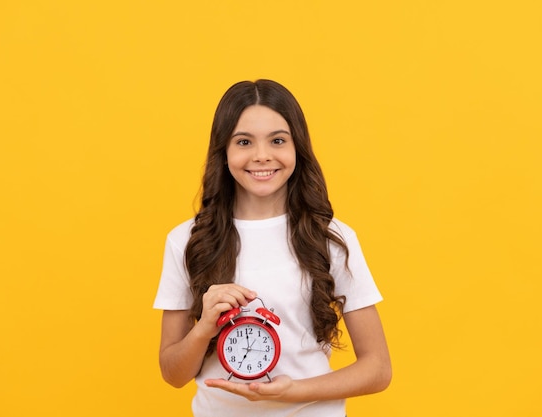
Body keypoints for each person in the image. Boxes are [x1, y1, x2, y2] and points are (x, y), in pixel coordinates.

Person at [153, 79, 391, 417]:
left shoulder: (330, 238)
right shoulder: (187, 240)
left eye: (277, 140)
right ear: (224, 151)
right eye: (244, 142)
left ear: (297, 148)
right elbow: (173, 374)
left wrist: (293, 392)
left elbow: (378, 368)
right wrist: (206, 325)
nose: (261, 156)